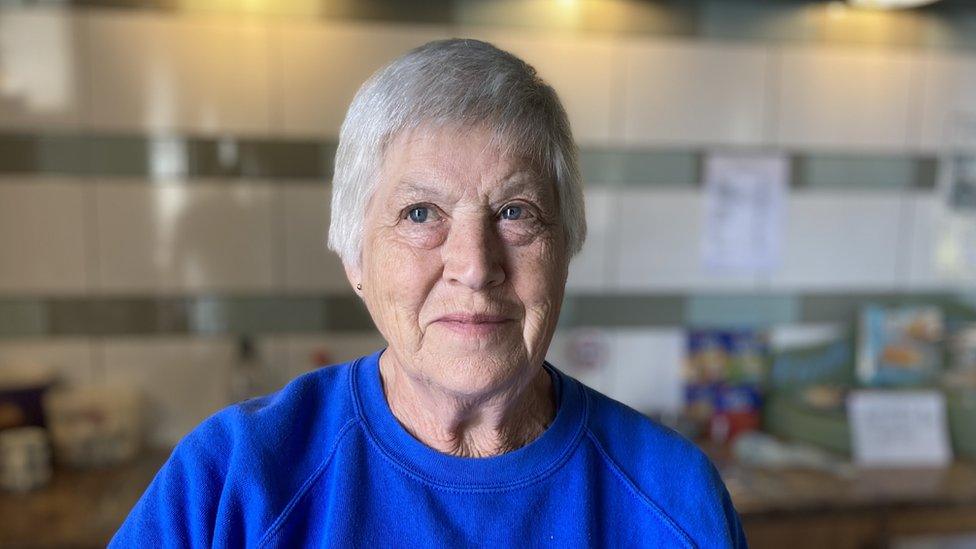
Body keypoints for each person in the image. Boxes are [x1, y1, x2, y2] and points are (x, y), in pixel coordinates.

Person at [111, 38, 747, 547]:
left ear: (566, 248)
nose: (473, 266)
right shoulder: (231, 482)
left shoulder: (674, 502)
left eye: (515, 212)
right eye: (420, 214)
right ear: (354, 256)